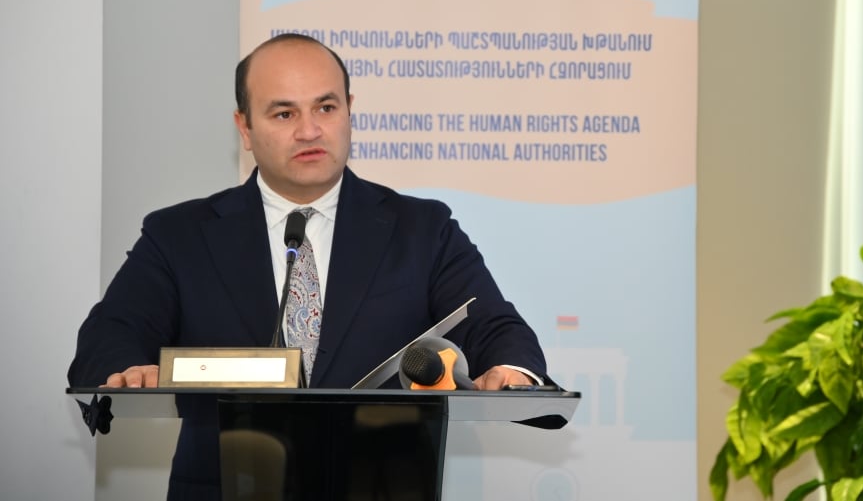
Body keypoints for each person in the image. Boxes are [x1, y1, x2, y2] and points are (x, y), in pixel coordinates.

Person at [68, 33, 548, 499]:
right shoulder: (181, 235)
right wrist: (126, 367)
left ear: (348, 110)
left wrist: (510, 369)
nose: (310, 130)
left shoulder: (422, 228)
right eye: (284, 113)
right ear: (245, 128)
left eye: (326, 107)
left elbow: (489, 322)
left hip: (383, 487)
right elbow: (111, 331)